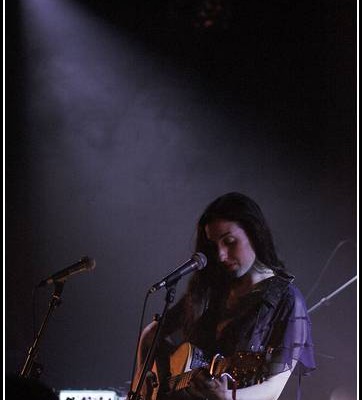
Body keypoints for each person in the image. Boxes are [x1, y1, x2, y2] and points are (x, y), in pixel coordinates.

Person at [132, 192, 316, 400]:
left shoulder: (287, 301)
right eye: (213, 245)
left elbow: (273, 389)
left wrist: (228, 397)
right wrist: (141, 385)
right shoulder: (212, 290)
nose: (220, 254)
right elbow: (151, 334)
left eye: (229, 241)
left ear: (254, 234)